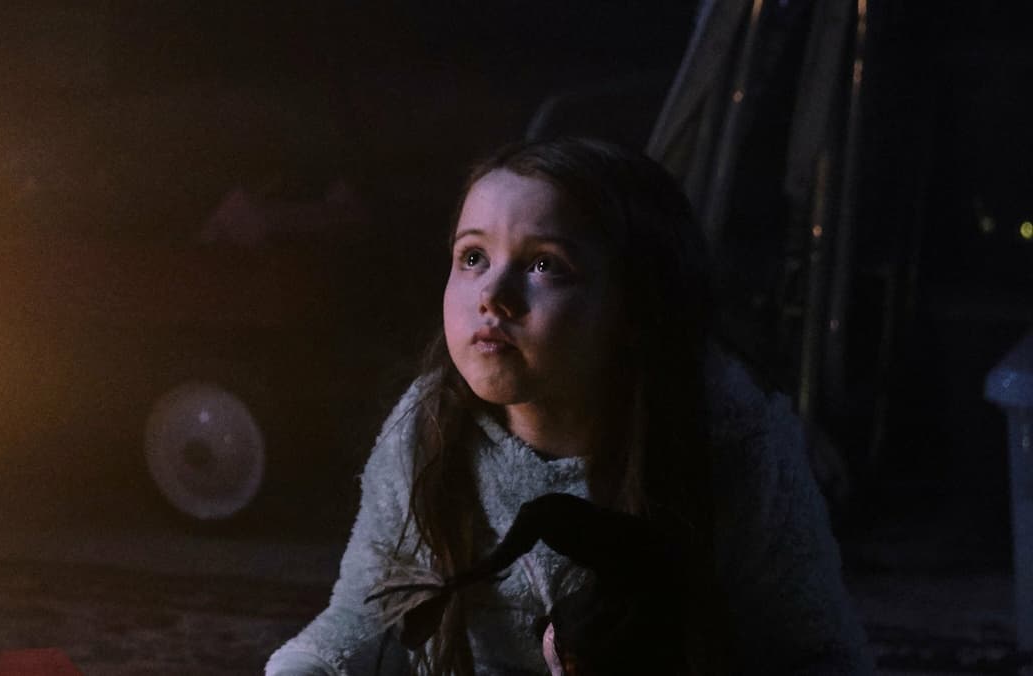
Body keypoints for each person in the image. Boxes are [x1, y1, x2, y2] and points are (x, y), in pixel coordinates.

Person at [265, 137, 871, 675]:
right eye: (473, 257)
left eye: (543, 265)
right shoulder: (426, 427)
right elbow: (364, 619)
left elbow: (816, 652)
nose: (493, 296)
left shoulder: (734, 443)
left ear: (634, 308)